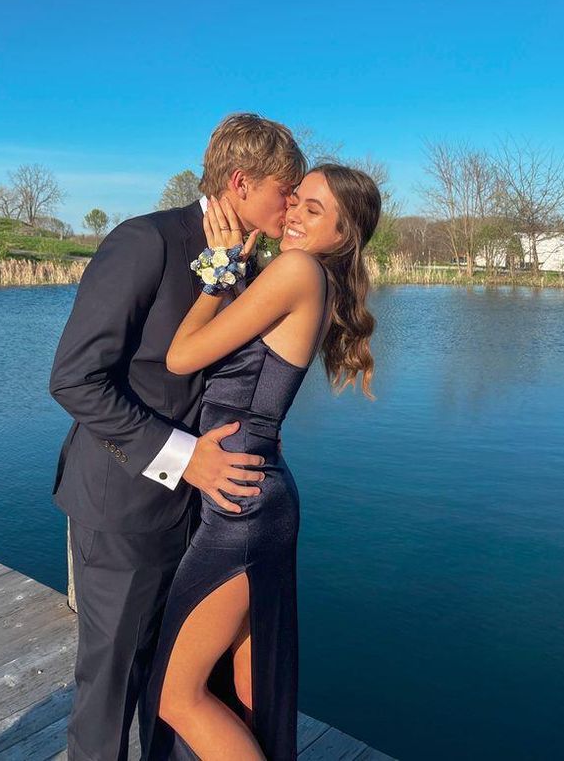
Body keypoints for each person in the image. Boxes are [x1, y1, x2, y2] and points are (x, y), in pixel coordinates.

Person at [48, 113, 306, 761]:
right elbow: (75, 379)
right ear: (242, 182)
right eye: (287, 187)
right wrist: (187, 458)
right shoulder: (146, 242)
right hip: (125, 509)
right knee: (112, 691)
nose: (294, 201)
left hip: (211, 517)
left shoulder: (251, 267)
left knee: (185, 687)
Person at [141, 162, 382, 760]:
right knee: (252, 690)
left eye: (314, 210)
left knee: (178, 695)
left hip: (241, 506)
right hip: (256, 493)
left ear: (344, 233)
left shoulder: (297, 271)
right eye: (296, 200)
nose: (295, 214)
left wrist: (219, 274)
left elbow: (181, 357)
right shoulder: (304, 278)